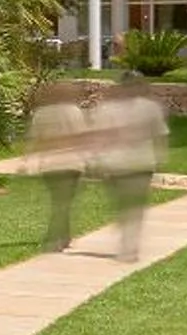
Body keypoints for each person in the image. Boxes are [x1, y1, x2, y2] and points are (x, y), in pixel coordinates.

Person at [88, 77, 170, 261]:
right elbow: (160, 135)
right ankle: (130, 244)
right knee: (135, 207)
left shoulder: (107, 109)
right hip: (140, 164)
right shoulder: (150, 108)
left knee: (123, 205)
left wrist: (95, 159)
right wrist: (160, 157)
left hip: (116, 164)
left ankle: (127, 241)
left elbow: (98, 138)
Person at [24, 80, 93, 252]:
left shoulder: (40, 114)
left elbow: (34, 140)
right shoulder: (74, 111)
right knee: (64, 202)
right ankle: (55, 238)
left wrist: (26, 160)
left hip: (50, 164)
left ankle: (64, 236)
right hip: (72, 163)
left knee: (59, 201)